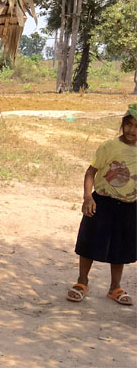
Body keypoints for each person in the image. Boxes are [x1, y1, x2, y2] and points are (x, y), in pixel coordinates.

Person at [67, 104, 137, 306]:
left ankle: (115, 287)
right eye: (129, 125)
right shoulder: (109, 147)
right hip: (102, 203)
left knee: (121, 247)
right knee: (90, 242)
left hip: (129, 205)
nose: (132, 130)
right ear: (122, 125)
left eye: (136, 126)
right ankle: (82, 281)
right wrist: (88, 197)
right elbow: (91, 172)